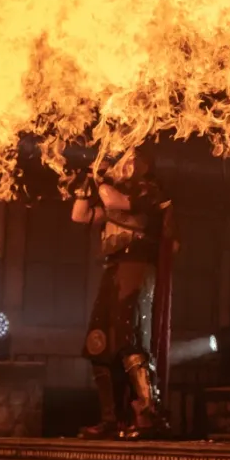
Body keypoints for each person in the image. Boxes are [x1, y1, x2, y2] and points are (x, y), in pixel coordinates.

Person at [72, 149, 174, 439]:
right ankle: (110, 419)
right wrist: (84, 187)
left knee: (129, 339)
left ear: (144, 164)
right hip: (114, 268)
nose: (125, 165)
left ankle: (147, 414)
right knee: (99, 342)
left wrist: (99, 177)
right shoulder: (115, 192)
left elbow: (113, 201)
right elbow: (80, 216)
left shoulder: (149, 191)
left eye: (131, 160)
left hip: (137, 266)